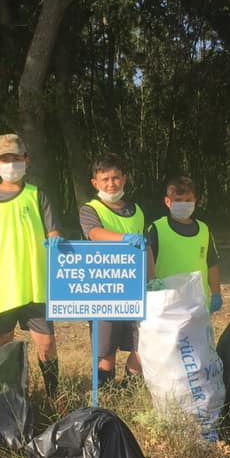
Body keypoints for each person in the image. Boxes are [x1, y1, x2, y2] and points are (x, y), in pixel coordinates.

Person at [0, 133, 61, 398]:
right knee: (1, 344)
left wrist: (56, 243)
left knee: (47, 344)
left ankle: (54, 398)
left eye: (16, 158)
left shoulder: (37, 195)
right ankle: (3, 399)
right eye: (5, 159)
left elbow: (53, 231)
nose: (11, 164)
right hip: (0, 287)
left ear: (27, 161)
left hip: (36, 285)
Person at [80, 152, 147, 386]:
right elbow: (94, 233)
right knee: (106, 350)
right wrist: (123, 238)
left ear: (124, 179)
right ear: (95, 183)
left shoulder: (137, 210)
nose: (111, 183)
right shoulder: (91, 209)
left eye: (116, 178)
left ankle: (129, 392)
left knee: (141, 345)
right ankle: (106, 395)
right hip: (104, 288)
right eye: (105, 179)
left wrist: (152, 277)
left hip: (135, 287)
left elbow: (145, 246)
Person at [146, 176, 223, 313]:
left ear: (195, 201)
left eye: (188, 200)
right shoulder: (156, 229)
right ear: (167, 202)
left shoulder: (204, 229)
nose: (184, 204)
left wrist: (216, 293)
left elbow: (211, 263)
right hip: (166, 306)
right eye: (178, 200)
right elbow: (146, 263)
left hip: (198, 307)